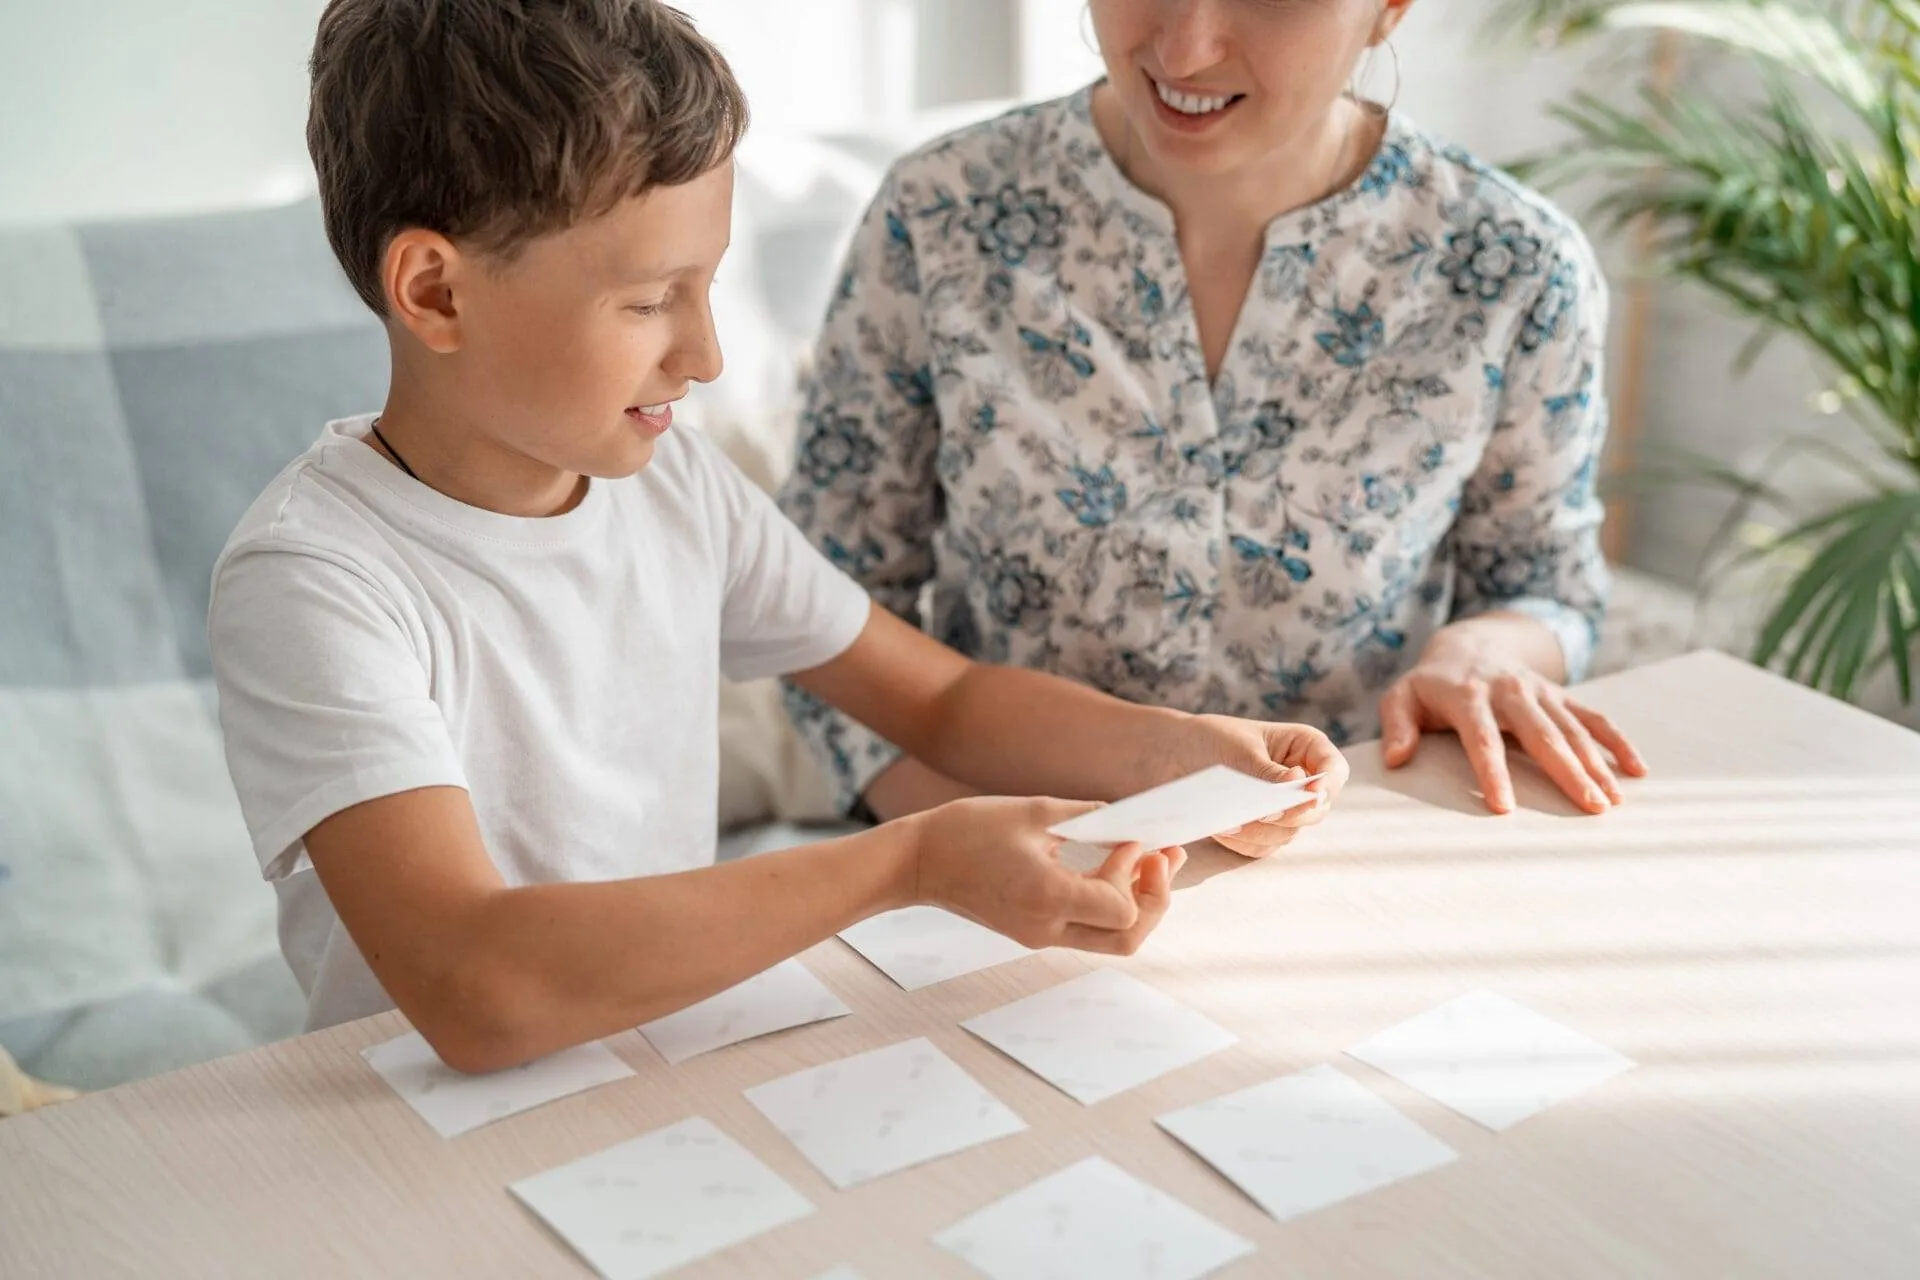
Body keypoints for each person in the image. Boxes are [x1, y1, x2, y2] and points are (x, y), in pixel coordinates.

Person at [207, 0, 1349, 1073]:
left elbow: (941, 700)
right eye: (649, 301)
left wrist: (1178, 750)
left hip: (650, 1064)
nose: (704, 356)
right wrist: (909, 862)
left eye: (707, 287)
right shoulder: (315, 579)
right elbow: (476, 986)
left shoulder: (675, 486)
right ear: (436, 294)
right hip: (414, 1126)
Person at [779, 0, 1649, 827]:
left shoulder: (1515, 268)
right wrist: (980, 853)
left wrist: (1486, 651)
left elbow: (1546, 588)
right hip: (990, 865)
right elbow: (819, 606)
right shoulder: (942, 212)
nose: (1184, 50)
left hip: (1347, 857)